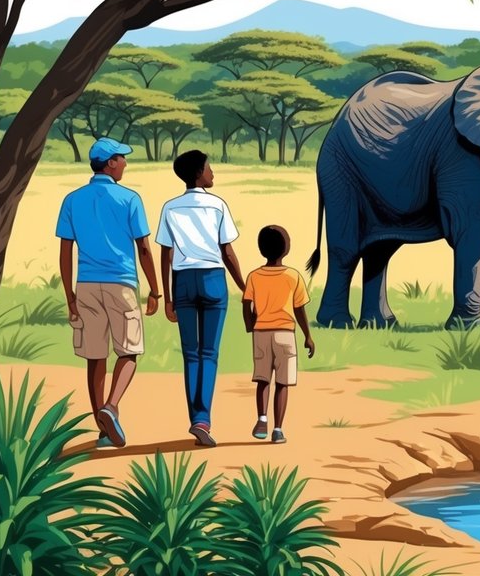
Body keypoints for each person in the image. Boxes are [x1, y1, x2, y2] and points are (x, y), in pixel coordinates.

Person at [57, 137, 163, 449]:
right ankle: (112, 406)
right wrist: (155, 290)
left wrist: (69, 296)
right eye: (122, 158)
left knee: (95, 356)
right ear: (111, 163)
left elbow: (65, 252)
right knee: (129, 351)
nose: (125, 164)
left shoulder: (72, 199)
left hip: (86, 285)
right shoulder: (130, 199)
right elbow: (143, 248)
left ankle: (102, 430)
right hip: (122, 283)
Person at [157, 149, 246, 447]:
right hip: (212, 280)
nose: (212, 173)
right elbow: (228, 252)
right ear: (198, 173)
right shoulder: (217, 205)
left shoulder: (170, 207)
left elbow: (165, 254)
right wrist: (245, 286)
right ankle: (202, 419)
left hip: (182, 281)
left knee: (190, 355)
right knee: (209, 353)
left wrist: (167, 296)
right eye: (209, 168)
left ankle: (197, 417)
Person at [242, 225, 315, 444]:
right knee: (282, 383)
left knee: (263, 380)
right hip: (285, 333)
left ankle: (262, 419)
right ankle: (278, 429)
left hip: (261, 332)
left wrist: (250, 325)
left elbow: (247, 304)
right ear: (286, 248)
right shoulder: (293, 276)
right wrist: (307, 336)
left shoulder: (254, 276)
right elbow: (300, 309)